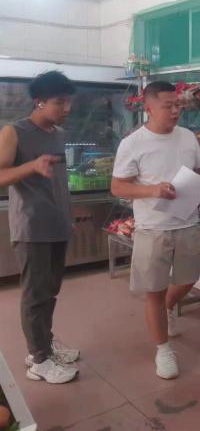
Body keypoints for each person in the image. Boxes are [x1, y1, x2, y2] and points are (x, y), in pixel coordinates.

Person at [111, 81, 200, 380]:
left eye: (178, 105)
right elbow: (118, 187)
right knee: (154, 289)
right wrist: (152, 190)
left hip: (188, 221)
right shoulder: (133, 143)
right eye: (169, 106)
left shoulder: (187, 137)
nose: (176, 111)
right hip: (153, 227)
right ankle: (163, 349)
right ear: (149, 108)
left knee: (188, 279)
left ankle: (164, 312)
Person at [0, 71, 80, 384]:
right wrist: (31, 166)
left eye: (68, 101)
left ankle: (44, 343)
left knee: (50, 292)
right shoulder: (14, 131)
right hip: (32, 227)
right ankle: (39, 360)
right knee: (35, 295)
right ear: (39, 101)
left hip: (58, 223)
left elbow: (58, 183)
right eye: (60, 102)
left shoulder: (58, 134)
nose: (67, 108)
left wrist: (68, 216)